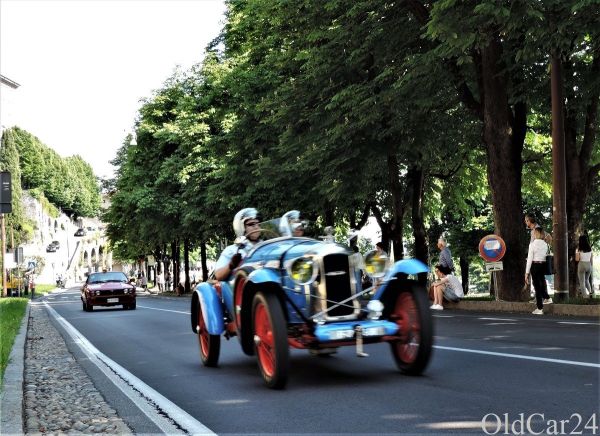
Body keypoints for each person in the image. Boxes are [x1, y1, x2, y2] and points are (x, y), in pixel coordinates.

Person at [214, 208, 262, 281]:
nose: (256, 227)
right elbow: (218, 275)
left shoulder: (266, 246)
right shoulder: (232, 250)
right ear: (241, 227)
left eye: (258, 224)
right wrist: (231, 264)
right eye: (251, 224)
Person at [525, 227, 551, 315]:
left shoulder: (532, 244)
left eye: (533, 233)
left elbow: (529, 259)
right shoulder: (546, 244)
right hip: (543, 265)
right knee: (541, 283)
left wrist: (526, 273)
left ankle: (540, 308)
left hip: (535, 265)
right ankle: (547, 297)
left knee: (537, 287)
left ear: (535, 234)